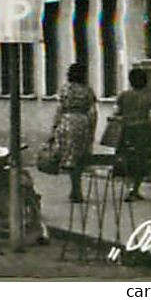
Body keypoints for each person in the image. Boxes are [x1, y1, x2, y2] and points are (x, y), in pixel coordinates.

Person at [54, 63, 97, 202]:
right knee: (80, 156)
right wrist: (92, 128)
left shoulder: (66, 89)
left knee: (70, 157)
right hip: (82, 122)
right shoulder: (88, 90)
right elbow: (92, 111)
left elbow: (60, 108)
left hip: (67, 122)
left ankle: (75, 188)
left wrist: (55, 126)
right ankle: (76, 189)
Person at [115, 67, 151, 201]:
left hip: (127, 130)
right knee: (142, 159)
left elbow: (117, 112)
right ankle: (135, 189)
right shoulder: (149, 96)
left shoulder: (124, 95)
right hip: (144, 129)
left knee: (127, 159)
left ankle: (129, 188)